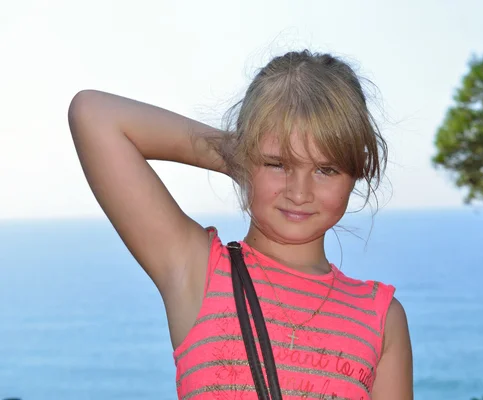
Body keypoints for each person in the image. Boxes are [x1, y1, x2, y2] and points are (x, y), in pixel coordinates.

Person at [68, 50, 413, 399]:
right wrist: (233, 154)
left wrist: (264, 162)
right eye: (277, 164)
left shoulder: (381, 319)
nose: (299, 192)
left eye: (326, 170)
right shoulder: (198, 272)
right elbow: (94, 115)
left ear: (358, 171)